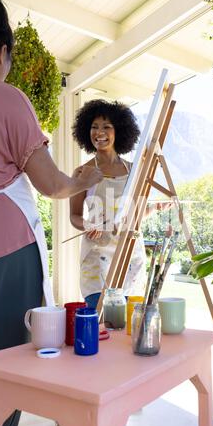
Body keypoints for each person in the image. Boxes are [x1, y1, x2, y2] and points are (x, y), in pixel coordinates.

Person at [0, 0, 102, 426]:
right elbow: (51, 185)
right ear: (2, 51)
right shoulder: (5, 97)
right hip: (5, 252)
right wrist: (83, 177)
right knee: (10, 362)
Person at [71, 99, 149, 309]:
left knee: (128, 326)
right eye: (94, 127)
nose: (99, 132)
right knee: (100, 323)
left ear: (119, 131)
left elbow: (138, 212)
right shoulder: (82, 172)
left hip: (130, 256)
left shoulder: (134, 170)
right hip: (97, 260)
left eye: (107, 127)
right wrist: (87, 224)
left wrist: (153, 209)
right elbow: (74, 216)